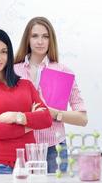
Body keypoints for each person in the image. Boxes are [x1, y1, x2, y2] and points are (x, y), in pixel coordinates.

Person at [0, 29, 52, 175]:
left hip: (31, 167)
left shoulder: (26, 85)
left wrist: (16, 117)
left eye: (4, 51)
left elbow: (46, 119)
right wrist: (29, 125)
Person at [14, 17, 88, 173]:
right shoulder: (14, 71)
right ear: (27, 39)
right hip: (21, 146)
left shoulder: (62, 71)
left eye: (45, 36)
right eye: (35, 36)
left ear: (51, 40)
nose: (40, 41)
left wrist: (55, 114)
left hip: (54, 149)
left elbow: (82, 119)